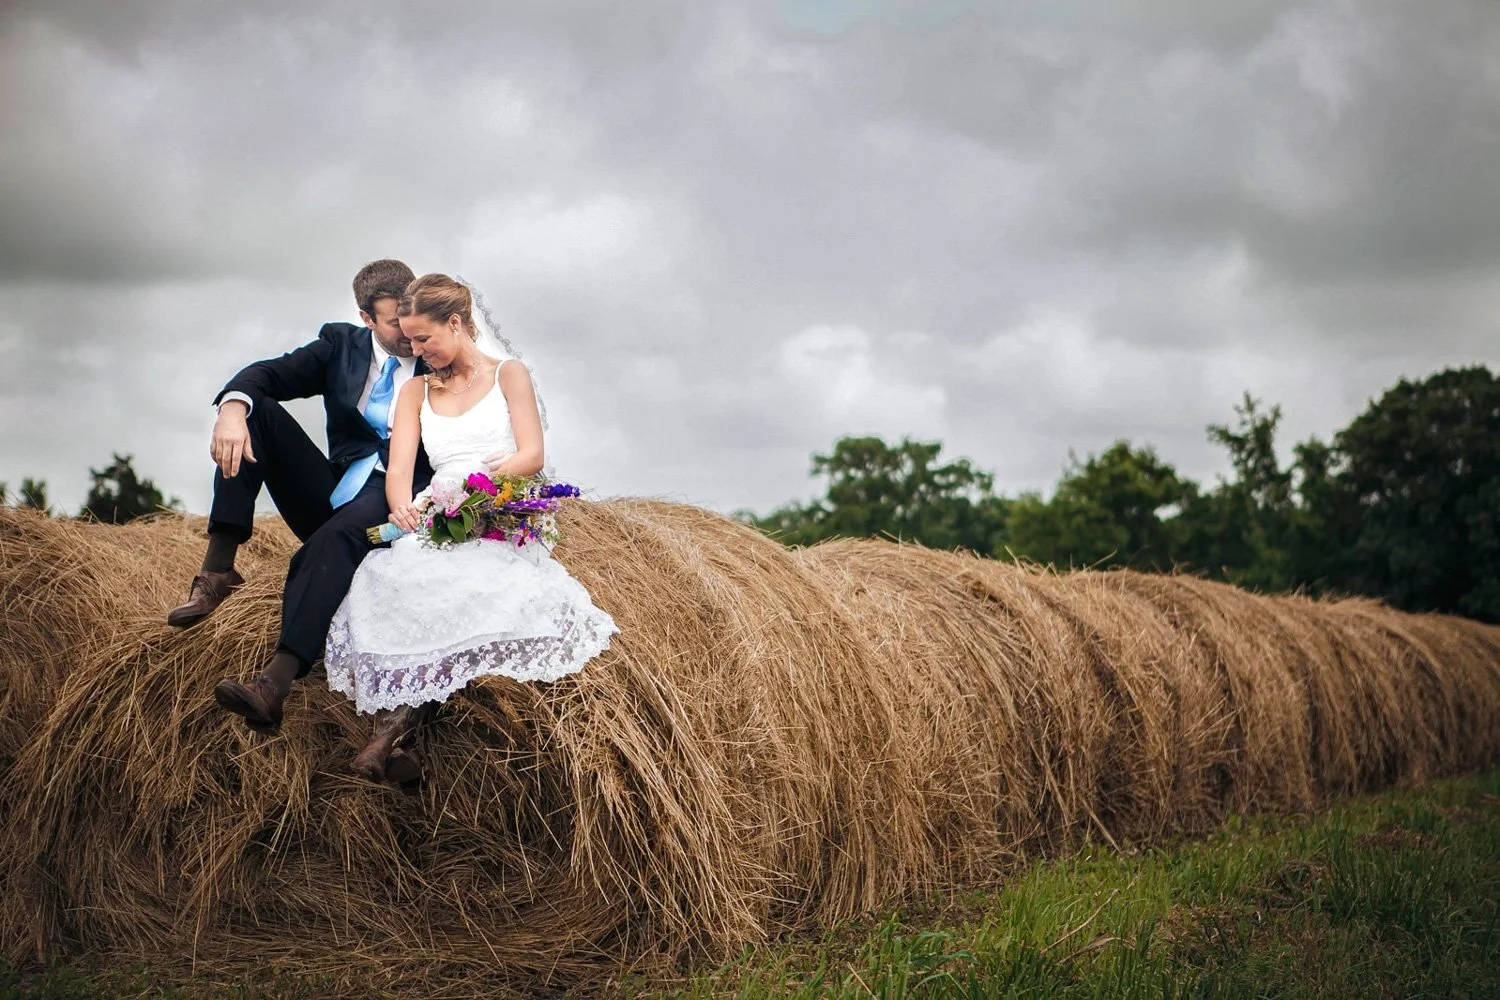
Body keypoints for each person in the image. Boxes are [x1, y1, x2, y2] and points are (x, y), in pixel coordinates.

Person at [325, 273, 617, 785]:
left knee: (477, 586)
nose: (416, 349)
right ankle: (400, 734)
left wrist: (475, 493)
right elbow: (399, 469)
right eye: (410, 339)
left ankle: (391, 735)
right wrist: (401, 509)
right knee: (394, 580)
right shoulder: (414, 390)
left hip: (497, 506)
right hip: (436, 509)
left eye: (424, 338)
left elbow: (531, 454)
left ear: (456, 323)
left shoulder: (510, 374)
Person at [173, 259, 431, 734]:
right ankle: (218, 571)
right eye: (394, 320)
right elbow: (267, 374)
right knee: (256, 414)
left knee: (328, 544)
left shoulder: (436, 350)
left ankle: (274, 684)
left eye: (411, 314)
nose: (407, 329)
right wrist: (231, 410)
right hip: (338, 490)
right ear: (366, 317)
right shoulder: (341, 345)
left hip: (401, 503)